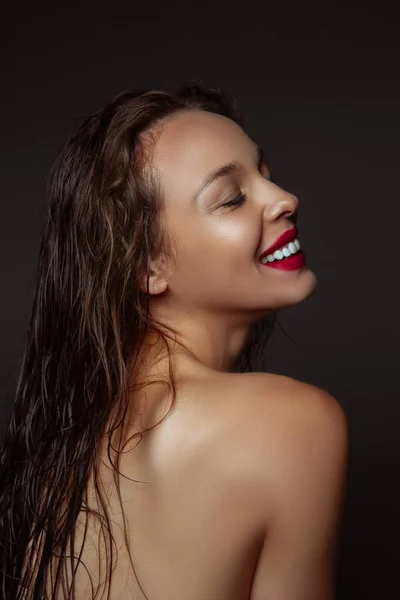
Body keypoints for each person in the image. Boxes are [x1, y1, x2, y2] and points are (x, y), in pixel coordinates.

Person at [0, 81, 349, 600]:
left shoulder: (62, 458)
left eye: (265, 173)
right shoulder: (293, 422)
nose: (283, 199)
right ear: (146, 265)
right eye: (232, 198)